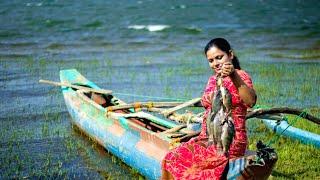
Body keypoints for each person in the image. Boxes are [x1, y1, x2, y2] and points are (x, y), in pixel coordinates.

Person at [161, 38, 257, 179]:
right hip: (209, 137)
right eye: (211, 60)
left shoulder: (241, 76)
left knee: (197, 171)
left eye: (219, 57)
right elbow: (205, 101)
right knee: (171, 157)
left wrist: (233, 75)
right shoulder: (213, 80)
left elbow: (251, 101)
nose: (215, 63)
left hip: (229, 139)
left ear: (230, 55)